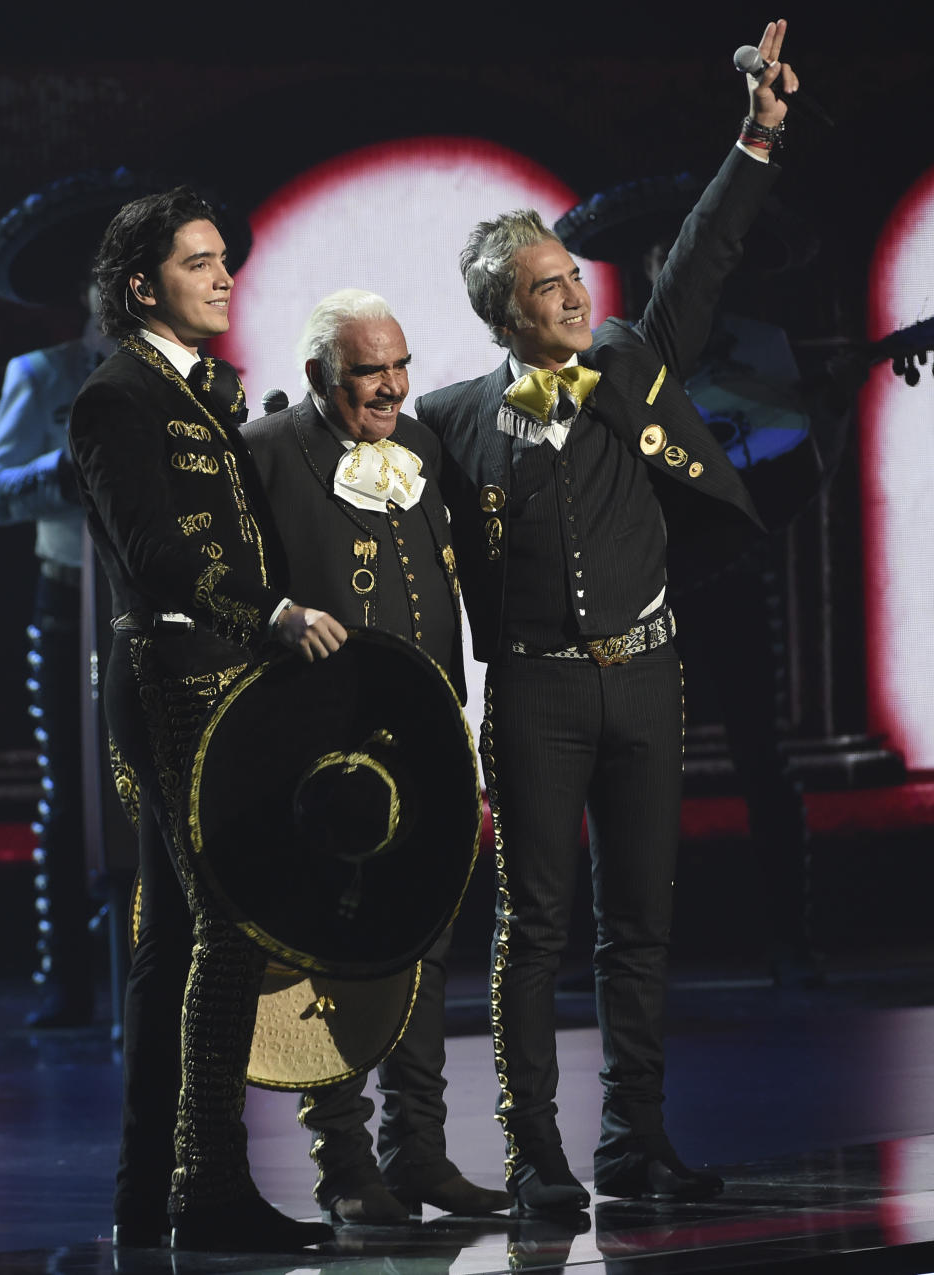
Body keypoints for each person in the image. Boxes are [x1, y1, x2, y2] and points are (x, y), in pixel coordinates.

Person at [415, 21, 798, 1215]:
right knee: (534, 930)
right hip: (532, 691)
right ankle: (537, 1154)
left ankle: (637, 1143)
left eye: (573, 277)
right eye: (547, 287)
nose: (575, 295)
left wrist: (758, 134)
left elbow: (700, 259)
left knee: (640, 927)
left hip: (645, 678)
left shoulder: (632, 357)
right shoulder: (449, 417)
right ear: (502, 315)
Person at [69, 186, 340, 1254]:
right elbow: (158, 558)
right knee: (224, 925)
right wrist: (271, 612)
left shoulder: (203, 391)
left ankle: (157, 1195)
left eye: (225, 258)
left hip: (222, 678)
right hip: (171, 675)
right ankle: (206, 1185)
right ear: (143, 286)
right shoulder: (115, 399)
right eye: (199, 262)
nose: (225, 276)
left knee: (178, 937)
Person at [242, 288, 511, 1224]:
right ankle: (347, 1162)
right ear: (322, 375)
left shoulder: (425, 447)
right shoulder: (268, 453)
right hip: (324, 748)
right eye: (369, 371)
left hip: (426, 735)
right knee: (340, 951)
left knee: (426, 946)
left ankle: (420, 1153)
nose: (392, 386)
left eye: (399, 365)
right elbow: (243, 591)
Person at [0, 288, 112, 1027]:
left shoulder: (179, 373)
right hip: (67, 600)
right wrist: (61, 473)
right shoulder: (41, 373)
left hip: (149, 604)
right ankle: (67, 976)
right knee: (69, 791)